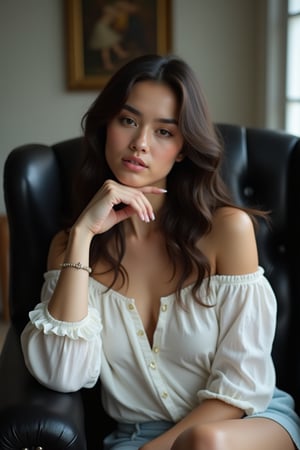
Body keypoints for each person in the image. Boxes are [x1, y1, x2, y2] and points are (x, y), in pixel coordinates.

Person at [20, 54, 300, 450]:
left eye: (164, 132)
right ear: (107, 127)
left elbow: (242, 386)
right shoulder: (69, 248)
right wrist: (83, 234)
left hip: (243, 424)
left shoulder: (227, 231)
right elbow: (61, 374)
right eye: (128, 121)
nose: (140, 143)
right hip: (134, 438)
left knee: (204, 443)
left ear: (184, 148)